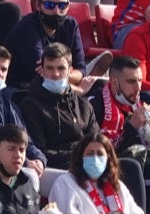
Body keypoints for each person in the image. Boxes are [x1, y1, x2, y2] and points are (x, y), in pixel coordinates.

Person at [16, 43, 99, 181]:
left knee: (128, 166)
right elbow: (39, 151)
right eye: (49, 68)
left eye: (61, 68)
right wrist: (79, 156)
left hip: (87, 164)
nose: (55, 74)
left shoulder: (83, 105)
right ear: (41, 70)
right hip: (57, 171)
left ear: (70, 71)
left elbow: (97, 141)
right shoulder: (31, 105)